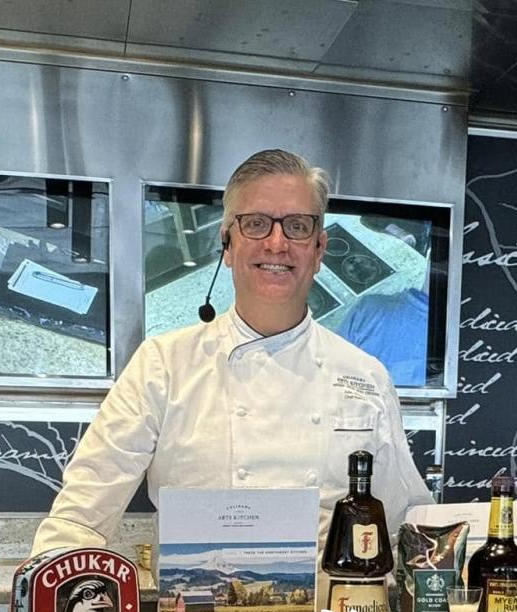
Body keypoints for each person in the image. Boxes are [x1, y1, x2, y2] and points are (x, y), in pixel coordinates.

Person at [31, 148, 432, 556]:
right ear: (227, 243)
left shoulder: (365, 376)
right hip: (195, 599)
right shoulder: (162, 366)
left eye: (297, 226)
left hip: (327, 600)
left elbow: (407, 527)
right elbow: (79, 517)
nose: (277, 243)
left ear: (319, 250)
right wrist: (52, 582)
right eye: (256, 224)